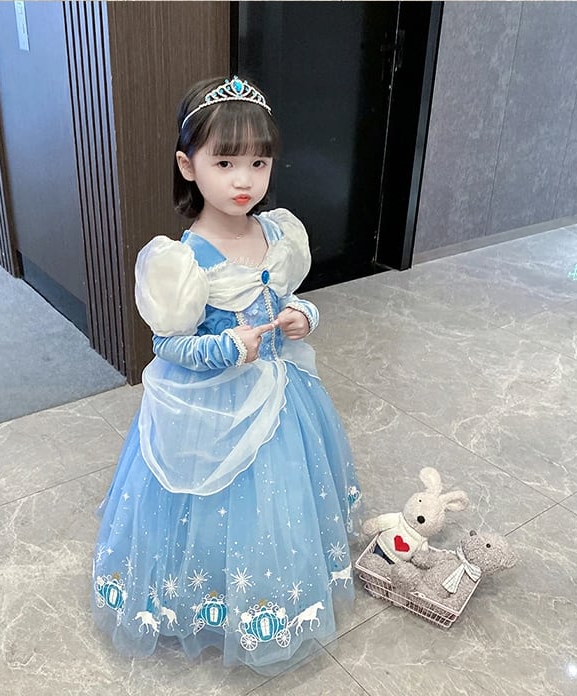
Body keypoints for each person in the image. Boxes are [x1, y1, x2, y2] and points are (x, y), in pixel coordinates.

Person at [92, 75, 363, 675]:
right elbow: (167, 343)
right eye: (225, 162)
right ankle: (207, 596)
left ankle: (274, 587)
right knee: (213, 508)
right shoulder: (182, 259)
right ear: (188, 166)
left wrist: (303, 315)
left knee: (278, 504)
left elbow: (287, 296)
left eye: (258, 163)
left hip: (284, 399)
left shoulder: (279, 233)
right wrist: (224, 349)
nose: (244, 181)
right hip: (213, 408)